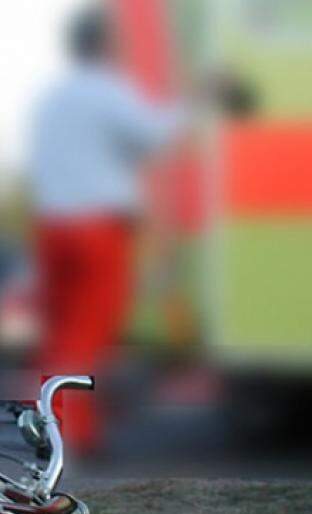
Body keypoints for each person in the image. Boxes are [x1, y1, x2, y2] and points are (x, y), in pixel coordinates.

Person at [27, 3, 197, 453]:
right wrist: (196, 101)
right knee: (89, 333)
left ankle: (49, 420)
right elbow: (155, 136)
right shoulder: (108, 91)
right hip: (98, 228)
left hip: (52, 225)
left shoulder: (52, 98)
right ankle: (74, 432)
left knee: (60, 331)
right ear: (107, 44)